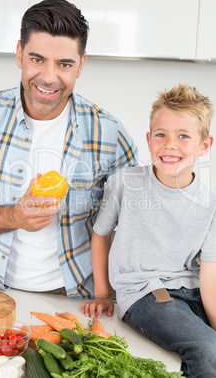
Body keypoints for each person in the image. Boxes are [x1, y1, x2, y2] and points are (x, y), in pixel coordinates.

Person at [0, 0, 138, 298]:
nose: (49, 78)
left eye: (64, 64)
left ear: (81, 65)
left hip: (74, 296)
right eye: (37, 59)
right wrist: (14, 216)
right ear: (19, 54)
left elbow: (132, 226)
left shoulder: (110, 134)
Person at [82, 84, 216, 377]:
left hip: (190, 290)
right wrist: (103, 293)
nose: (170, 145)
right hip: (144, 292)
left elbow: (208, 275)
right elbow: (100, 234)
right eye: (161, 135)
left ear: (204, 145)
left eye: (183, 136)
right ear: (149, 139)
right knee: (206, 348)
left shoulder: (210, 204)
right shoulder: (125, 183)